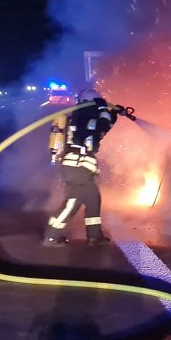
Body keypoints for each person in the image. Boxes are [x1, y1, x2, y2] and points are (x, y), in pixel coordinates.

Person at [43, 88, 117, 247]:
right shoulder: (81, 118)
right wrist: (103, 107)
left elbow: (104, 126)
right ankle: (51, 236)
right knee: (72, 203)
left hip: (81, 169)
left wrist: (115, 113)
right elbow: (101, 124)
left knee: (93, 200)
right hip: (77, 168)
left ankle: (94, 237)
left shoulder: (83, 118)